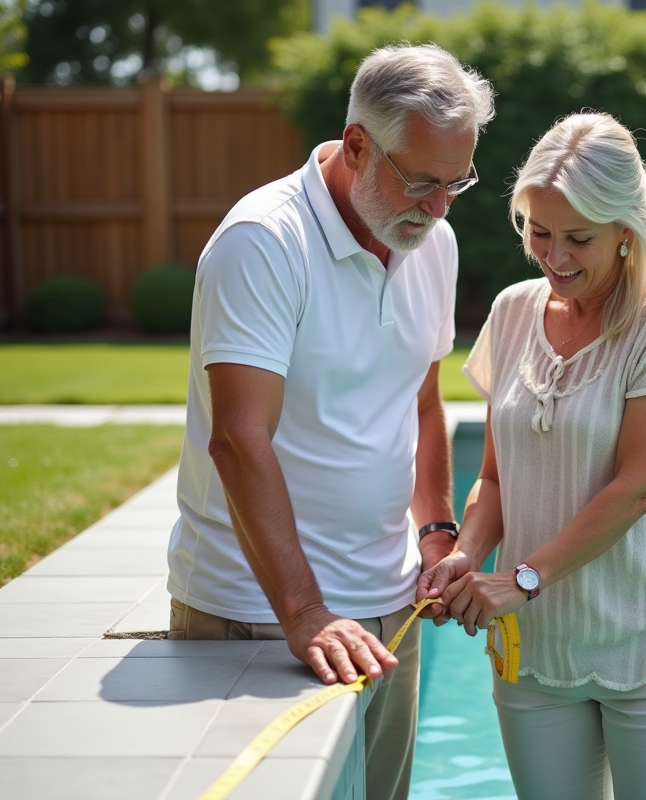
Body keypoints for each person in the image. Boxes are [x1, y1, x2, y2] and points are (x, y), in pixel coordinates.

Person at [165, 44, 495, 800]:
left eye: (456, 184)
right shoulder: (264, 241)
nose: (439, 206)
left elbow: (420, 397)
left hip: (388, 606)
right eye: (421, 182)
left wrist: (437, 532)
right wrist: (305, 612)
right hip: (256, 613)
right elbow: (238, 440)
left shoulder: (432, 242)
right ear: (355, 146)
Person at [417, 112, 646, 800]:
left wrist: (521, 579)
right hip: (532, 656)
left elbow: (637, 488)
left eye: (578, 239)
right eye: (539, 232)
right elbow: (497, 476)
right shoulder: (512, 312)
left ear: (627, 231)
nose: (553, 257)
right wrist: (469, 552)